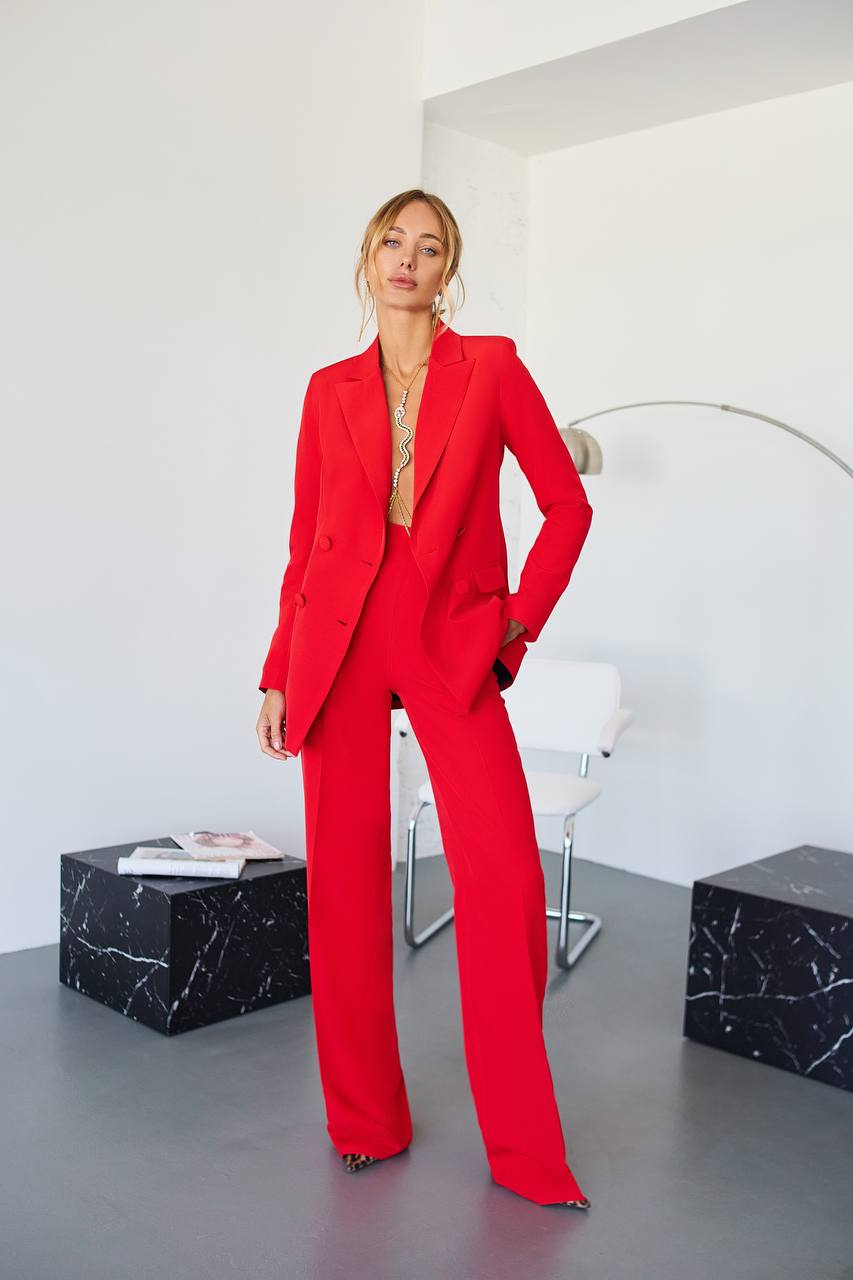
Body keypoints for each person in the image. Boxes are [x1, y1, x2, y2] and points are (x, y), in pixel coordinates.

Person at [255, 188, 594, 1208]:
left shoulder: (488, 365)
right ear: (368, 257)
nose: (407, 258)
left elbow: (565, 504)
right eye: (392, 241)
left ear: (450, 270)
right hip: (338, 642)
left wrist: (516, 624)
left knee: (497, 882)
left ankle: (527, 1152)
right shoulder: (327, 389)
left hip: (451, 636)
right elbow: (304, 539)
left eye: (430, 246)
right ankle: (365, 1117)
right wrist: (278, 668)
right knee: (347, 888)